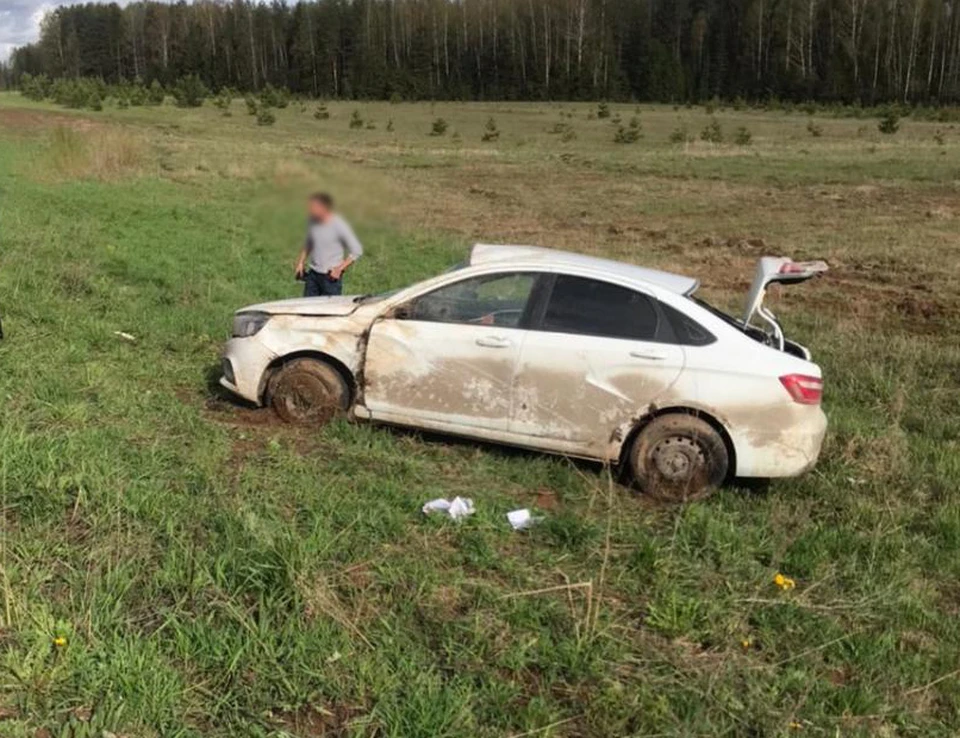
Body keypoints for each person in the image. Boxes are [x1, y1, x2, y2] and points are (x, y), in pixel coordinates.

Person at [295, 192, 363, 297]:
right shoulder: (312, 221)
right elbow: (309, 242)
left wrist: (339, 268)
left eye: (314, 207)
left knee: (329, 310)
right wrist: (301, 262)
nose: (311, 210)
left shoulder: (338, 224)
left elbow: (357, 250)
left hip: (330, 278)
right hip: (313, 275)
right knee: (308, 309)